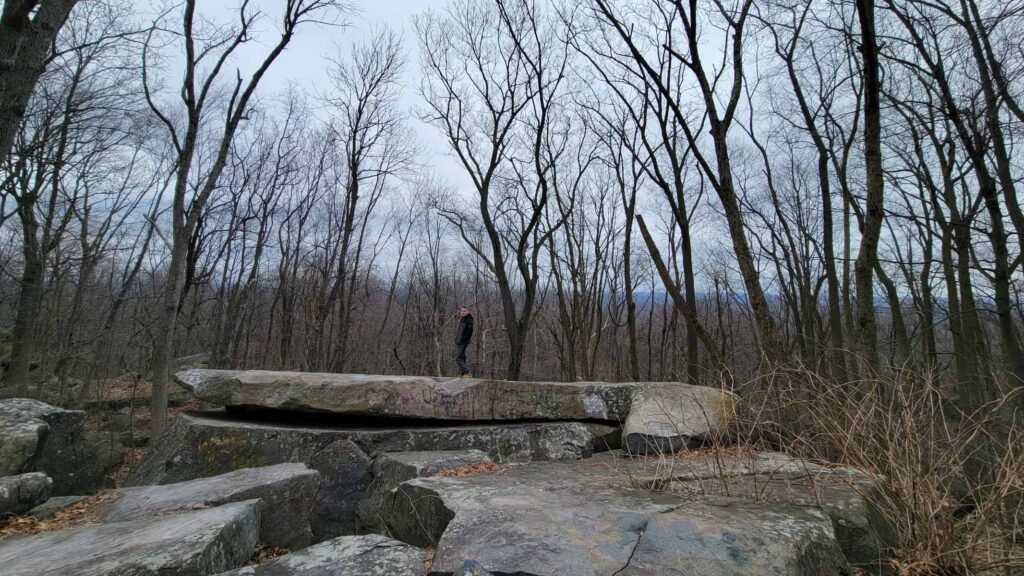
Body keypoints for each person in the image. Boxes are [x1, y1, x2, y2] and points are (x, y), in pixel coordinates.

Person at [454, 306, 474, 377]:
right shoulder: (463, 319)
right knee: (462, 357)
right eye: (462, 311)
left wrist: (463, 339)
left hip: (463, 342)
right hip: (460, 341)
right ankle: (464, 373)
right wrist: (457, 340)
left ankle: (467, 371)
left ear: (468, 311)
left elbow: (470, 332)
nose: (463, 312)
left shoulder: (469, 320)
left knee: (458, 359)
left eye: (464, 311)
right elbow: (460, 331)